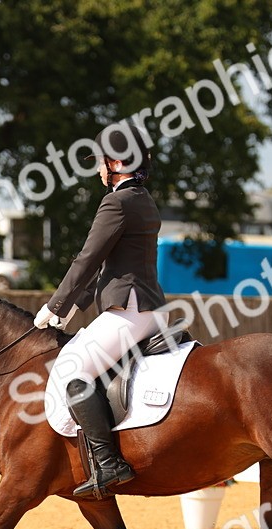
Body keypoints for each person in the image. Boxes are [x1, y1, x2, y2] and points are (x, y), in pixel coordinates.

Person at [33, 124, 167, 498]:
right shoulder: (142, 199)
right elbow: (112, 265)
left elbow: (88, 258)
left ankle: (109, 463)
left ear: (118, 161)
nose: (98, 170)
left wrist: (53, 304)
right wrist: (72, 308)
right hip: (144, 305)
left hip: (131, 307)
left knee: (74, 368)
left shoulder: (117, 202)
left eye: (102, 162)